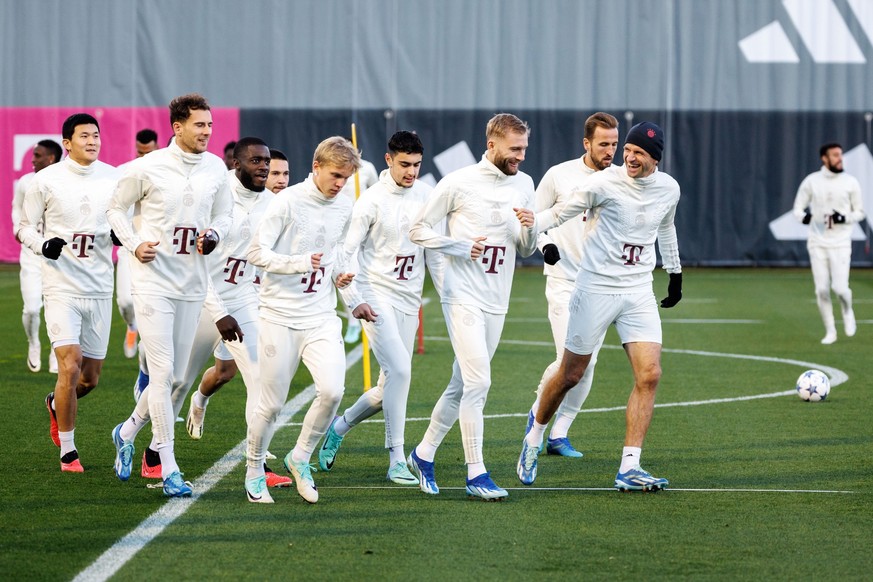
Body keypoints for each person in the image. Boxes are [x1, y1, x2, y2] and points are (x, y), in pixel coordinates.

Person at [517, 121, 682, 493]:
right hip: (594, 287)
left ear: (655, 158)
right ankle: (534, 436)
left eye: (639, 153)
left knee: (650, 374)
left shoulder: (669, 188)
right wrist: (535, 223)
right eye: (628, 150)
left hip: (638, 289)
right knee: (572, 371)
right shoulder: (603, 183)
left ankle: (630, 466)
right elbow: (561, 212)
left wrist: (675, 272)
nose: (629, 156)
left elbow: (667, 226)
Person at [107, 93, 234, 497]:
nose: (207, 132)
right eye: (200, 125)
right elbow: (114, 208)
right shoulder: (148, 167)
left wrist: (215, 234)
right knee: (162, 375)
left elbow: (226, 215)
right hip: (153, 281)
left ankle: (125, 432)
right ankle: (169, 469)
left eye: (210, 125)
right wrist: (132, 243)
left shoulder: (215, 168)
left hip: (192, 283)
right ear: (177, 127)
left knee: (179, 377)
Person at [405, 113, 537, 501]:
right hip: (460, 294)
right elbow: (417, 230)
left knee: (462, 382)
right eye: (514, 149)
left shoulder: (525, 184)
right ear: (492, 144)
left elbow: (527, 248)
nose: (521, 157)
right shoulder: (458, 182)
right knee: (479, 381)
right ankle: (476, 472)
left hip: (498, 298)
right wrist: (459, 247)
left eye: (524, 149)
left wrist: (529, 227)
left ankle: (423, 453)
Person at [317, 131, 444, 484]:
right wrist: (354, 300)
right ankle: (397, 459)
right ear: (388, 160)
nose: (411, 172)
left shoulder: (427, 196)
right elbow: (346, 252)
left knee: (390, 382)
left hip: (408, 297)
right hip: (376, 295)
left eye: (417, 165)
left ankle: (338, 428)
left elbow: (433, 251)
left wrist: (448, 295)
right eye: (404, 164)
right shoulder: (370, 200)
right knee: (402, 373)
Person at [244, 136, 361, 504]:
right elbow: (255, 253)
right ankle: (253, 470)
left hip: (321, 315)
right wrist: (298, 263)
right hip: (278, 315)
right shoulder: (287, 202)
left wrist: (345, 281)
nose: (340, 183)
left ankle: (300, 458)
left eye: (346, 177)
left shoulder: (346, 206)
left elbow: (342, 253)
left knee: (332, 391)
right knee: (272, 404)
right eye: (336, 175)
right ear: (316, 167)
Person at [177, 137, 291, 488]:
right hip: (202, 300)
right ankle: (141, 436)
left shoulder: (275, 205)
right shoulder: (217, 195)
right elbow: (198, 262)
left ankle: (256, 463)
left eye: (279, 170)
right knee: (177, 380)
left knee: (258, 376)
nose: (274, 175)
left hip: (245, 300)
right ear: (236, 163)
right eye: (262, 164)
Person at [18, 114, 120, 472]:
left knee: (89, 379)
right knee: (70, 364)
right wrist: (42, 244)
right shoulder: (44, 181)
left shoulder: (115, 176)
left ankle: (54, 402)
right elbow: (23, 227)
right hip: (61, 285)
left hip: (100, 287)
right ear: (67, 143)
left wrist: (124, 234)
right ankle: (69, 450)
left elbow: (125, 220)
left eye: (96, 135)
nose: (92, 141)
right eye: (84, 136)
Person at [523, 112, 619, 458]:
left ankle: (559, 432)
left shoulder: (622, 179)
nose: (610, 150)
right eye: (603, 144)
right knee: (569, 358)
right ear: (586, 143)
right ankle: (538, 411)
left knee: (588, 361)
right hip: (564, 281)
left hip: (602, 285)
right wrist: (545, 245)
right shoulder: (559, 175)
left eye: (614, 143)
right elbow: (531, 218)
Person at [792, 143, 865, 345]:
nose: (839, 158)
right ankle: (830, 330)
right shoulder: (812, 181)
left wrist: (844, 218)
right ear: (824, 158)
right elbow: (797, 209)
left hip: (841, 242)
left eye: (840, 155)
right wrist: (809, 219)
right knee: (821, 290)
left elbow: (860, 212)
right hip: (817, 242)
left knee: (840, 288)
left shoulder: (850, 182)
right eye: (834, 155)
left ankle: (848, 311)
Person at [12, 139, 63, 374]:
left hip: (58, 256)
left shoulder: (64, 181)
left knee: (59, 308)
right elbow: (17, 208)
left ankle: (56, 351)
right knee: (32, 308)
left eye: (38, 155)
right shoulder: (25, 182)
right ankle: (33, 343)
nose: (32, 159)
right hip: (32, 253)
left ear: (51, 158)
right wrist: (18, 230)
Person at [116, 128, 161, 359]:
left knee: (157, 303)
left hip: (157, 248)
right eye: (140, 152)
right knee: (125, 302)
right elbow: (112, 206)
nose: (143, 156)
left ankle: (151, 343)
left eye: (148, 152)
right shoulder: (123, 172)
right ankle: (132, 326)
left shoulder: (164, 173)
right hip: (129, 247)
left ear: (157, 147)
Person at [338, 154, 379, 344]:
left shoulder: (367, 167)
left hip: (363, 228)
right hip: (341, 230)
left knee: (367, 275)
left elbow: (377, 190)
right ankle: (354, 324)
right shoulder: (334, 168)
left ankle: (372, 321)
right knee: (346, 275)